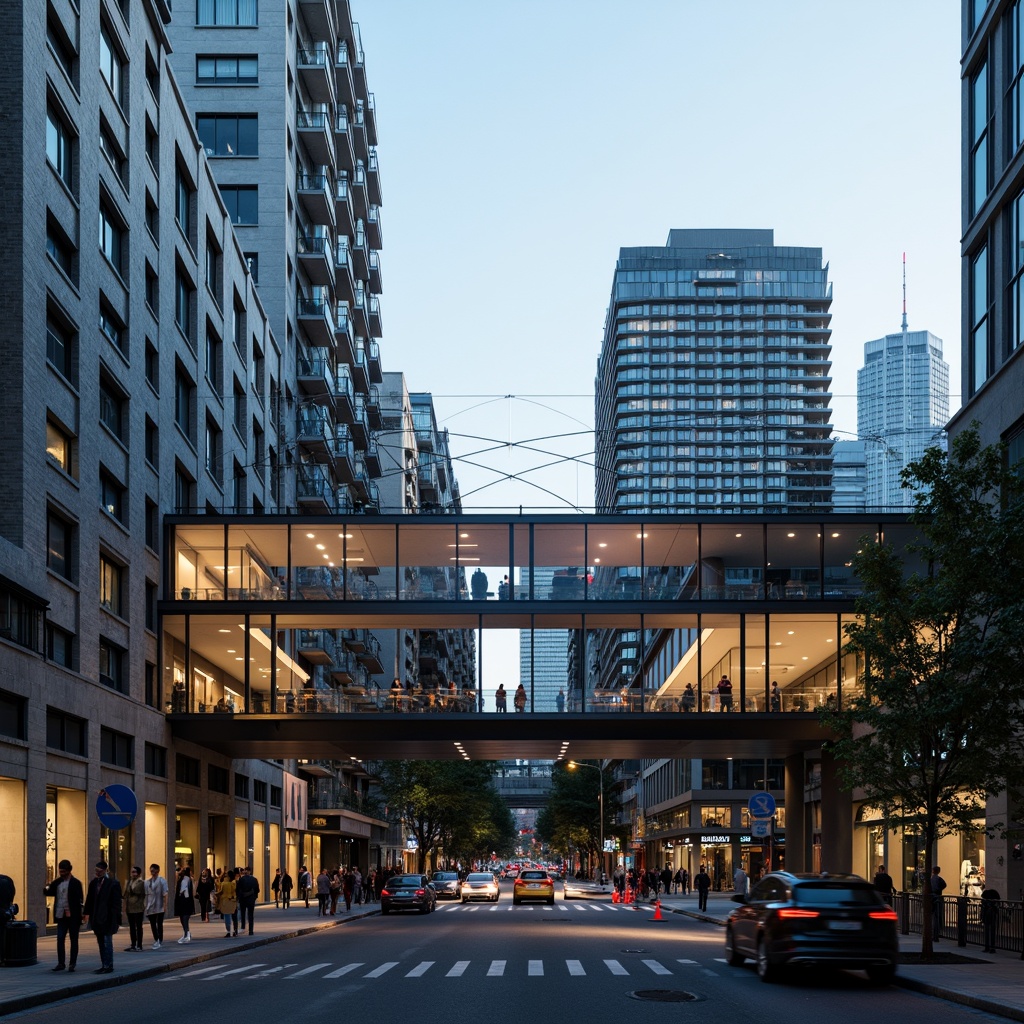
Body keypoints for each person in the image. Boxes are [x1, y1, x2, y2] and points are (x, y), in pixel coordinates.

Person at [83, 860, 122, 974]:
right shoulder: (94, 883)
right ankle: (104, 963)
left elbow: (116, 904)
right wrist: (86, 914)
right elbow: (89, 900)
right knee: (100, 942)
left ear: (105, 870)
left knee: (107, 941)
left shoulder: (112, 884)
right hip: (97, 917)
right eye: (96, 871)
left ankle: (108, 964)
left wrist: (117, 919)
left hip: (108, 917)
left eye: (99, 871)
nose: (97, 873)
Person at [45, 859, 83, 972]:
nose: (62, 874)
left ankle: (72, 963)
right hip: (61, 915)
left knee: (74, 939)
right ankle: (61, 963)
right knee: (60, 938)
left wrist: (81, 916)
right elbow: (49, 891)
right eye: (60, 871)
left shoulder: (76, 883)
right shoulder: (57, 882)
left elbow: (80, 900)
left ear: (69, 870)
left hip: (73, 916)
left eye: (64, 871)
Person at [122, 865, 146, 952]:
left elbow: (138, 892)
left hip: (138, 907)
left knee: (138, 926)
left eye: (134, 872)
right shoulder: (129, 882)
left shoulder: (141, 882)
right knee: (132, 927)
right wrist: (124, 907)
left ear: (139, 873)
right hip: (130, 907)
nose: (133, 874)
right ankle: (133, 944)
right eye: (132, 872)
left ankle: (139, 945)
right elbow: (125, 895)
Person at [144, 864, 168, 949]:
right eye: (151, 871)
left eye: (153, 871)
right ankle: (156, 939)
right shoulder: (147, 882)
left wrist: (165, 905)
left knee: (159, 924)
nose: (152, 872)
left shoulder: (162, 881)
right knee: (152, 924)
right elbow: (146, 895)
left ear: (158, 871)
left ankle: (160, 939)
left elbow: (165, 894)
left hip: (159, 905)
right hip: (150, 906)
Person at [236, 865, 260, 935]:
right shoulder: (254, 880)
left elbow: (238, 889)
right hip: (251, 899)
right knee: (250, 915)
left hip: (243, 899)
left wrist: (239, 897)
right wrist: (254, 897)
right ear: (250, 871)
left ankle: (243, 927)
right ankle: (251, 930)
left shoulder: (241, 879)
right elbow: (257, 890)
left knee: (243, 914)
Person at [174, 866, 194, 944]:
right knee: (182, 917)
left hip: (185, 899)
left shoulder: (186, 879)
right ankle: (186, 932)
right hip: (183, 899)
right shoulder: (183, 878)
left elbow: (183, 889)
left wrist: (180, 894)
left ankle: (186, 933)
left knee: (184, 917)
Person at [217, 868, 238, 937]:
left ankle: (229, 931)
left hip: (225, 901)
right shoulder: (235, 883)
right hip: (233, 900)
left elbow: (221, 892)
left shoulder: (224, 883)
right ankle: (235, 931)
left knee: (227, 916)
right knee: (234, 916)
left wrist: (215, 894)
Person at [980, 886, 1001, 952]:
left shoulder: (986, 905)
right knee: (992, 931)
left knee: (988, 931)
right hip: (992, 917)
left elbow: (983, 911)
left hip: (988, 917)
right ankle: (992, 947)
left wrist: (982, 918)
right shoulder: (994, 905)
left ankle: (988, 947)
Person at [930, 865, 947, 940]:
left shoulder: (931, 879)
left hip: (932, 897)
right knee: (937, 915)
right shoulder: (938, 879)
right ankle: (937, 930)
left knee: (933, 915)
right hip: (937, 897)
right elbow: (944, 885)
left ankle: (934, 932)